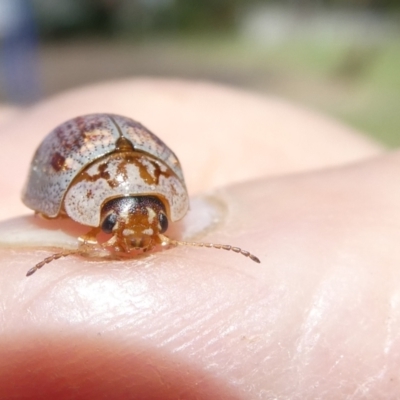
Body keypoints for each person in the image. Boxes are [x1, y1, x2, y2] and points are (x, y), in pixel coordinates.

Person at [0, 79, 395, 399]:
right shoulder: (77, 186)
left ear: (167, 209)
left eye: (157, 220)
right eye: (109, 224)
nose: (136, 238)